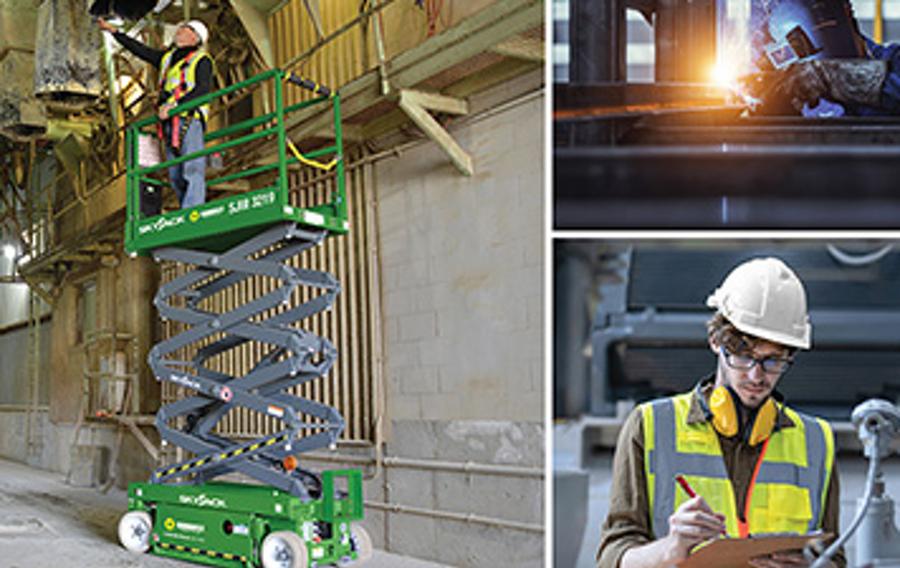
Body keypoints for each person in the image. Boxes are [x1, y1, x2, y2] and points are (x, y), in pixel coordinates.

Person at [596, 257, 844, 568]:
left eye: (773, 361)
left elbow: (835, 557)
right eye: (743, 356)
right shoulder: (650, 427)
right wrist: (669, 549)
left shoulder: (817, 442)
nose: (756, 376)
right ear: (715, 341)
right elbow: (610, 558)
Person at [98, 17, 213, 208]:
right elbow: (141, 50)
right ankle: (186, 208)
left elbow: (202, 90)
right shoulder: (168, 59)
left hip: (189, 119)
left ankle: (193, 210)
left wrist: (176, 106)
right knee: (175, 173)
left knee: (192, 167)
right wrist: (115, 32)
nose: (178, 30)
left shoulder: (201, 61)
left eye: (184, 29)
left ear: (195, 37)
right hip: (168, 121)